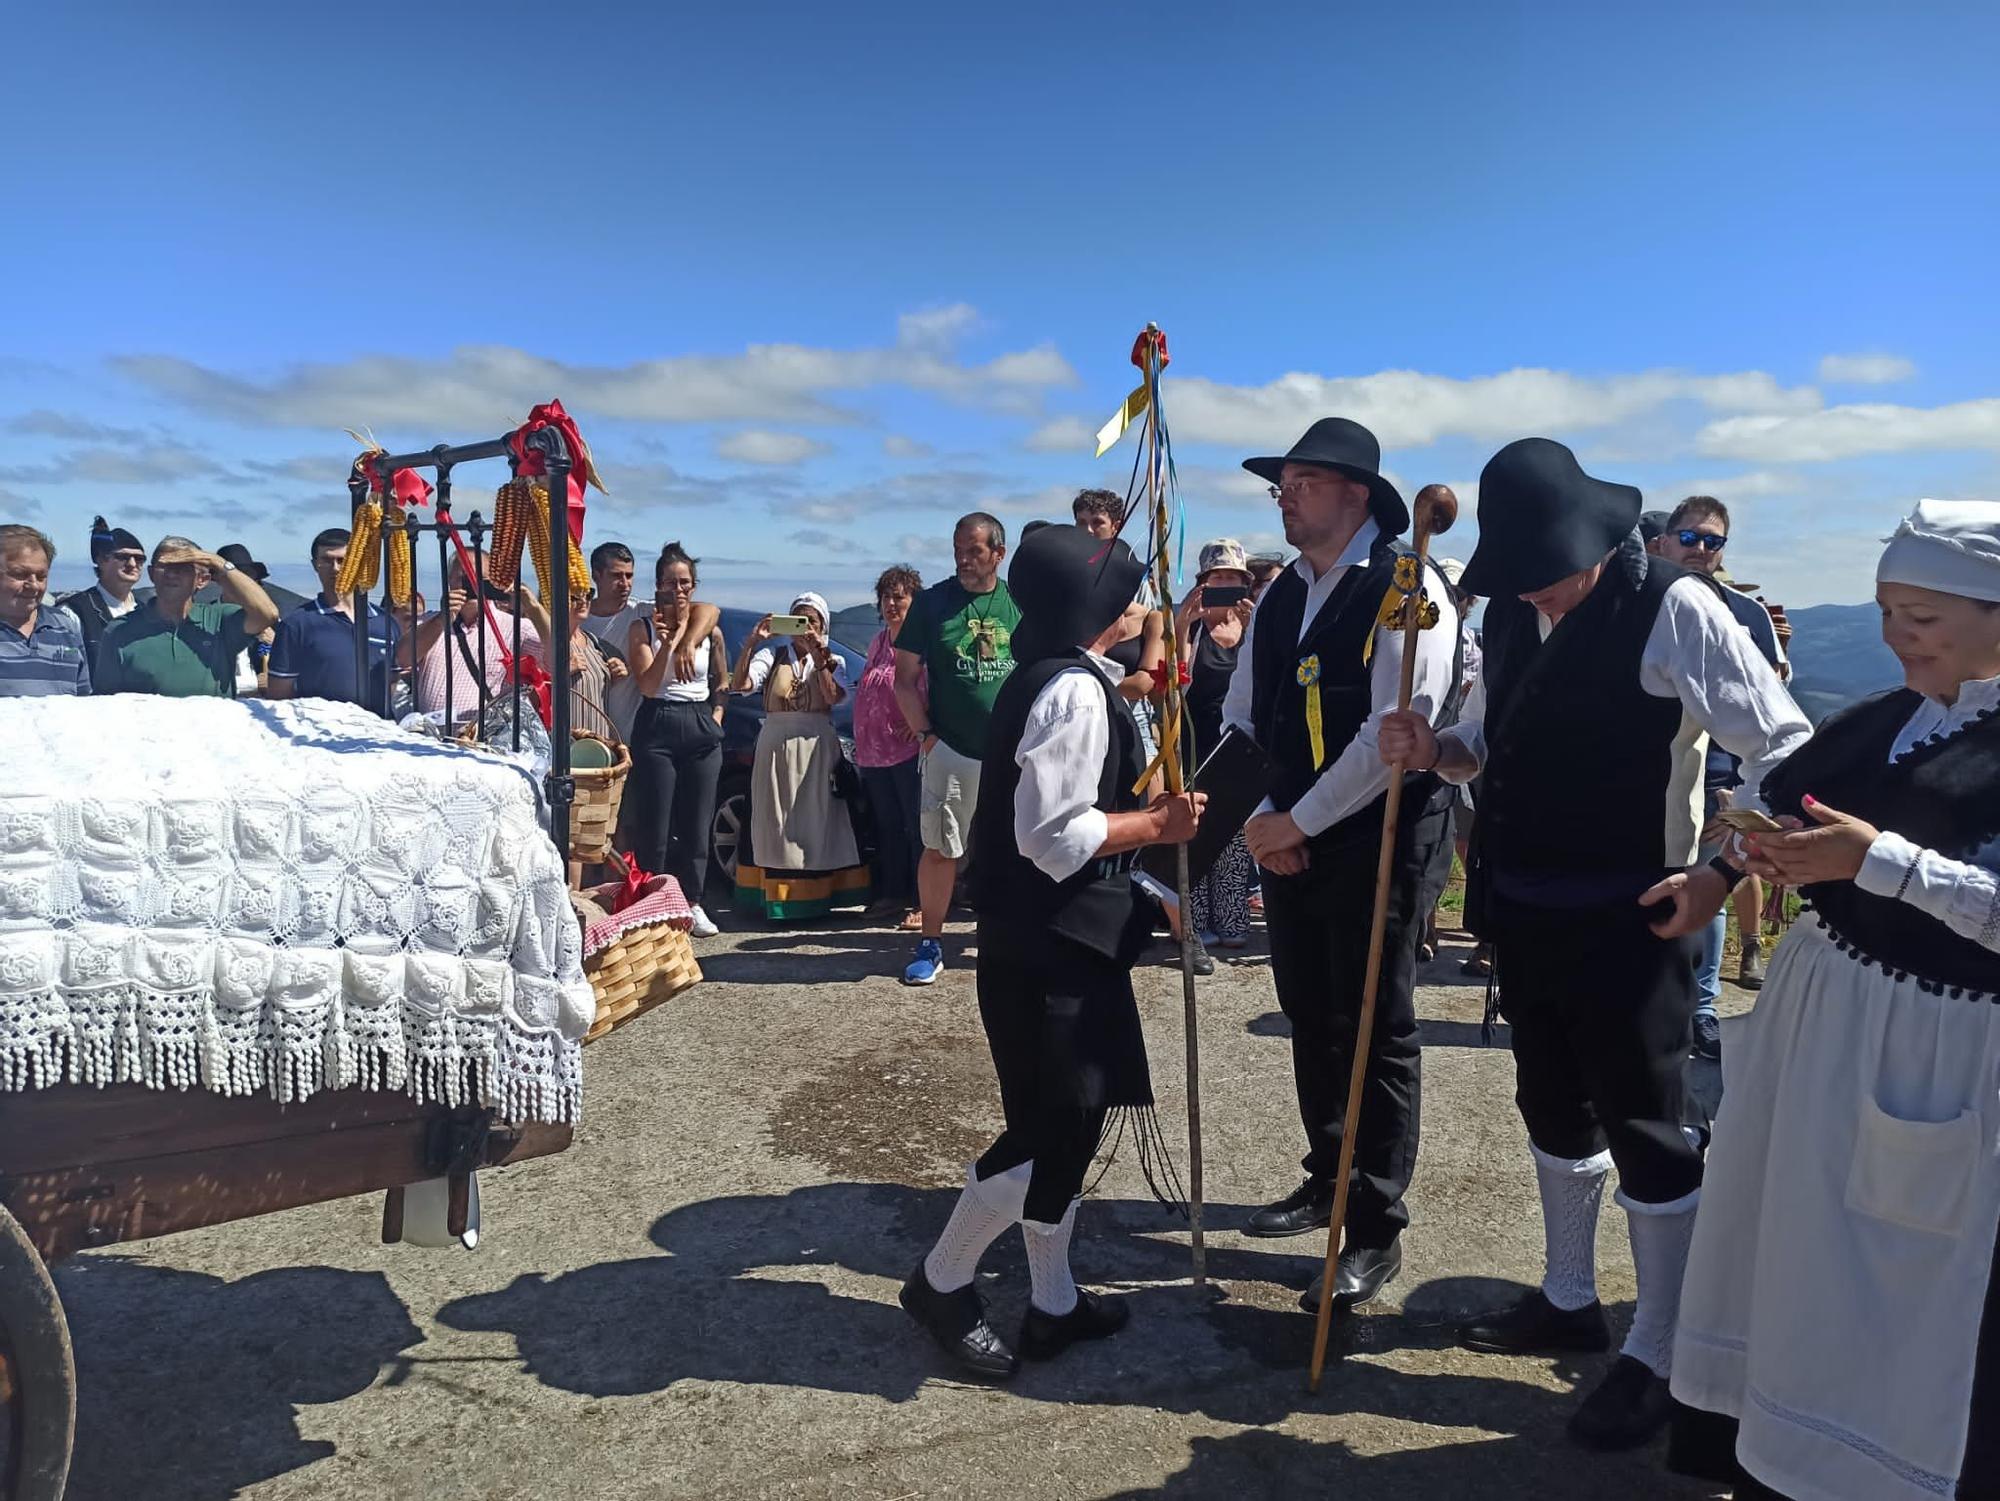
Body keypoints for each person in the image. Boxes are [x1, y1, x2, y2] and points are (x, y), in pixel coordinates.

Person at [1375, 437, 1810, 1450]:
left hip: (1637, 913)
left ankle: (1660, 1351)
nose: (1537, 595)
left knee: (1647, 1127)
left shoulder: (1676, 606)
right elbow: (1479, 744)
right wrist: (1429, 748)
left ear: (1594, 542)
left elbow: (1785, 747)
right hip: (1525, 909)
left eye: (1547, 575)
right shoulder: (1519, 608)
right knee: (1552, 1104)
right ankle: (1567, 1296)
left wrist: (1722, 873)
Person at [1663, 498, 2000, 1501]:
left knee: (1898, 1299)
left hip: (1939, 1061)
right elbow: (1768, 808)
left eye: (1921, 619)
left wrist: (1880, 864)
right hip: (1826, 1036)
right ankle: (1779, 1459)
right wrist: (1717, 875)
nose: (1895, 635)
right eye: (1884, 610)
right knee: (1795, 1268)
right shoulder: (1886, 721)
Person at [899, 523, 1204, 1380]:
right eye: (1126, 595)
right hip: (1050, 949)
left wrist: (1150, 860)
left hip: (1049, 942)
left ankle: (1053, 1301)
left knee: (1067, 1132)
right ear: (1098, 608)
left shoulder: (1061, 675)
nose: (1137, 606)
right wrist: (1159, 825)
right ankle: (941, 1277)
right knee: (1047, 1132)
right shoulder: (1070, 693)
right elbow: (1053, 837)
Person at [1220, 419, 1462, 1321]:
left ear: (1356, 493)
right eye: (1280, 482)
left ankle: (1373, 1220)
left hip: (1378, 833)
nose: (1284, 494)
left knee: (1373, 1023)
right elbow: (1243, 714)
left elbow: (1395, 733)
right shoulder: (1283, 592)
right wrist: (1257, 820)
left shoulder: (1408, 585)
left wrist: (1295, 820)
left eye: (1303, 480)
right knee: (1309, 1009)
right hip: (1286, 829)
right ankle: (1328, 1174)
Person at [1654, 495, 1788, 1058]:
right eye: (1689, 537)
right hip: (1656, 773)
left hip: (1719, 777)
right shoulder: (1644, 608)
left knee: (1711, 879)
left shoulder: (1748, 615)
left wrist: (1733, 787)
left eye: (1712, 541)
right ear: (1663, 541)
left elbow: (1767, 706)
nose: (1701, 550)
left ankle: (1702, 1006)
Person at [894, 512, 1021, 985]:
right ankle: (931, 940)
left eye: (975, 551)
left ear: (998, 554)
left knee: (1015, 848)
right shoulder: (931, 605)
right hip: (951, 749)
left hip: (1013, 755)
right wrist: (926, 736)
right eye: (959, 551)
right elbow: (904, 682)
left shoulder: (1019, 603)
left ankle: (1007, 938)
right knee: (940, 848)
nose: (965, 561)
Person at [730, 592, 870, 921]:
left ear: (823, 627)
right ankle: (779, 901)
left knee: (816, 821)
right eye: (799, 620)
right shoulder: (773, 654)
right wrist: (751, 643)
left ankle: (818, 897)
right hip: (777, 742)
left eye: (813, 622)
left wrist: (819, 657)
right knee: (776, 822)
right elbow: (741, 685)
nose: (805, 628)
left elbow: (834, 697)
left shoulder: (833, 659)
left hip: (816, 743)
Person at [624, 543, 727, 937]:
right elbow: (649, 686)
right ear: (657, 586)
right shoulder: (643, 628)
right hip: (660, 718)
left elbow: (721, 678)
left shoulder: (706, 625)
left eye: (685, 583)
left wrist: (717, 715)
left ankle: (694, 901)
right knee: (656, 823)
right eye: (670, 583)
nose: (678, 590)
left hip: (699, 719)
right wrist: (668, 643)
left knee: (698, 821)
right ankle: (655, 902)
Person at [1176, 538, 1257, 951]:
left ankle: (1233, 917)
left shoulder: (1255, 627)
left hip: (1238, 747)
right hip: (1195, 745)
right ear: (1202, 582)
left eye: (1233, 578)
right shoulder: (1190, 626)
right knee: (1196, 835)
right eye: (1217, 577)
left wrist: (1257, 624)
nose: (1226, 584)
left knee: (1235, 839)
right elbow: (1175, 684)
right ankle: (1197, 920)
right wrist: (1183, 625)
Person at [265, 527, 446, 711]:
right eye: (326, 561)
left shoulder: (385, 623)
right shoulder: (297, 624)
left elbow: (392, 683)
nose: (335, 569)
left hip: (375, 731)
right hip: (318, 732)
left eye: (342, 561)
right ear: (314, 565)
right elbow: (279, 695)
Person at [95, 536, 281, 697]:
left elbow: (268, 614)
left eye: (183, 567)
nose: (172, 573)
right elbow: (104, 704)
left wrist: (216, 562)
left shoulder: (220, 621)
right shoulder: (119, 630)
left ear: (202, 580)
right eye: (164, 566)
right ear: (151, 574)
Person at [856, 564, 926, 927]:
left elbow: (934, 689)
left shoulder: (922, 643)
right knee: (887, 824)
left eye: (900, 596)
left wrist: (918, 723)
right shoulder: (878, 642)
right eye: (886, 596)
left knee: (916, 826)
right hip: (873, 751)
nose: (892, 603)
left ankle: (921, 900)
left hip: (908, 751)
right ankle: (893, 893)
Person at [412, 558, 543, 722]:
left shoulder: (517, 627)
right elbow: (402, 659)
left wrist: (534, 607)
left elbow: (557, 658)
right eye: (464, 579)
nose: (472, 585)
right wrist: (440, 620)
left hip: (480, 738)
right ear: (449, 580)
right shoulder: (429, 624)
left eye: (480, 579)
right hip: (428, 739)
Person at [0, 524, 91, 696]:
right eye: (20, 574)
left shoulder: (66, 626)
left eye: (41, 577)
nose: (33, 585)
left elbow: (83, 699)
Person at [55, 515, 144, 672]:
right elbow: (63, 665)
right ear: (101, 559)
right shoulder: (73, 612)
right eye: (122, 557)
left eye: (139, 558)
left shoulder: (146, 611)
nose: (132, 564)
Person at [580, 541, 647, 742]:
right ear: (596, 575)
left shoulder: (641, 612)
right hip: (585, 734)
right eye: (617, 576)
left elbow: (707, 611)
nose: (625, 583)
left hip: (629, 739)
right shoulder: (577, 618)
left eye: (629, 575)